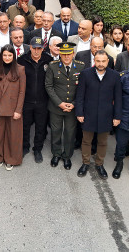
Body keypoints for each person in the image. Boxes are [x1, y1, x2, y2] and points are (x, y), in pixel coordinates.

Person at [74, 51, 121, 178]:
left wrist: (117, 116)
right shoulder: (85, 74)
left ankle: (99, 164)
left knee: (102, 142)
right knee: (86, 141)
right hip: (88, 114)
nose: (101, 64)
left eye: (103, 61)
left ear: (108, 61)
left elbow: (118, 98)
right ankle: (85, 163)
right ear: (94, 61)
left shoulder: (115, 76)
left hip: (106, 115)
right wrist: (79, 112)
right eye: (98, 61)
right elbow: (80, 96)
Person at [45, 42, 83, 170]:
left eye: (69, 54)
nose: (66, 57)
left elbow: (82, 89)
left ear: (73, 54)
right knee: (55, 131)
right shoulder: (53, 66)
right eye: (64, 54)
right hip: (56, 107)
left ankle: (67, 156)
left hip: (72, 108)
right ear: (60, 54)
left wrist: (73, 104)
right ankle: (56, 154)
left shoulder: (80, 67)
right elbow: (48, 86)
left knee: (69, 132)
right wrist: (60, 103)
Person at [0, 44, 26, 171]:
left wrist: (18, 110)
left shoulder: (20, 69)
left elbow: (22, 91)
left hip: (13, 108)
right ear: (1, 55)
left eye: (10, 55)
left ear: (14, 56)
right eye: (4, 55)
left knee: (12, 134)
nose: (7, 57)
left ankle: (10, 158)